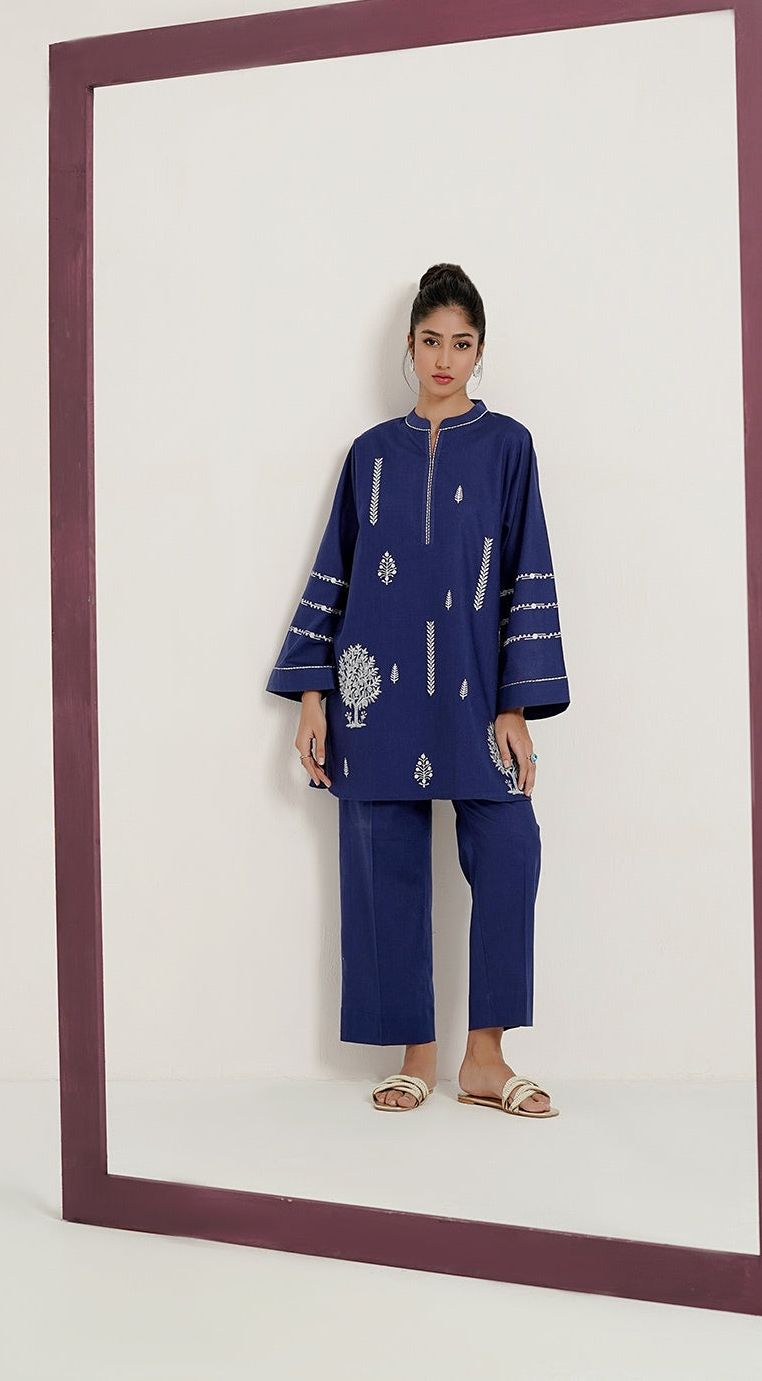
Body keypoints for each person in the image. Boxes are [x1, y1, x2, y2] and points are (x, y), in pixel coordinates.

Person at [266, 264, 570, 1116]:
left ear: (480, 350)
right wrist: (315, 696)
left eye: (461, 344)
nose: (444, 359)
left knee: (510, 847)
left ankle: (484, 1059)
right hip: (376, 690)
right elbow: (338, 570)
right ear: (409, 346)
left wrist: (514, 706)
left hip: (474, 691)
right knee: (383, 860)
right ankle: (416, 1055)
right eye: (431, 341)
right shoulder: (369, 455)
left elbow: (525, 567)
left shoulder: (508, 447)